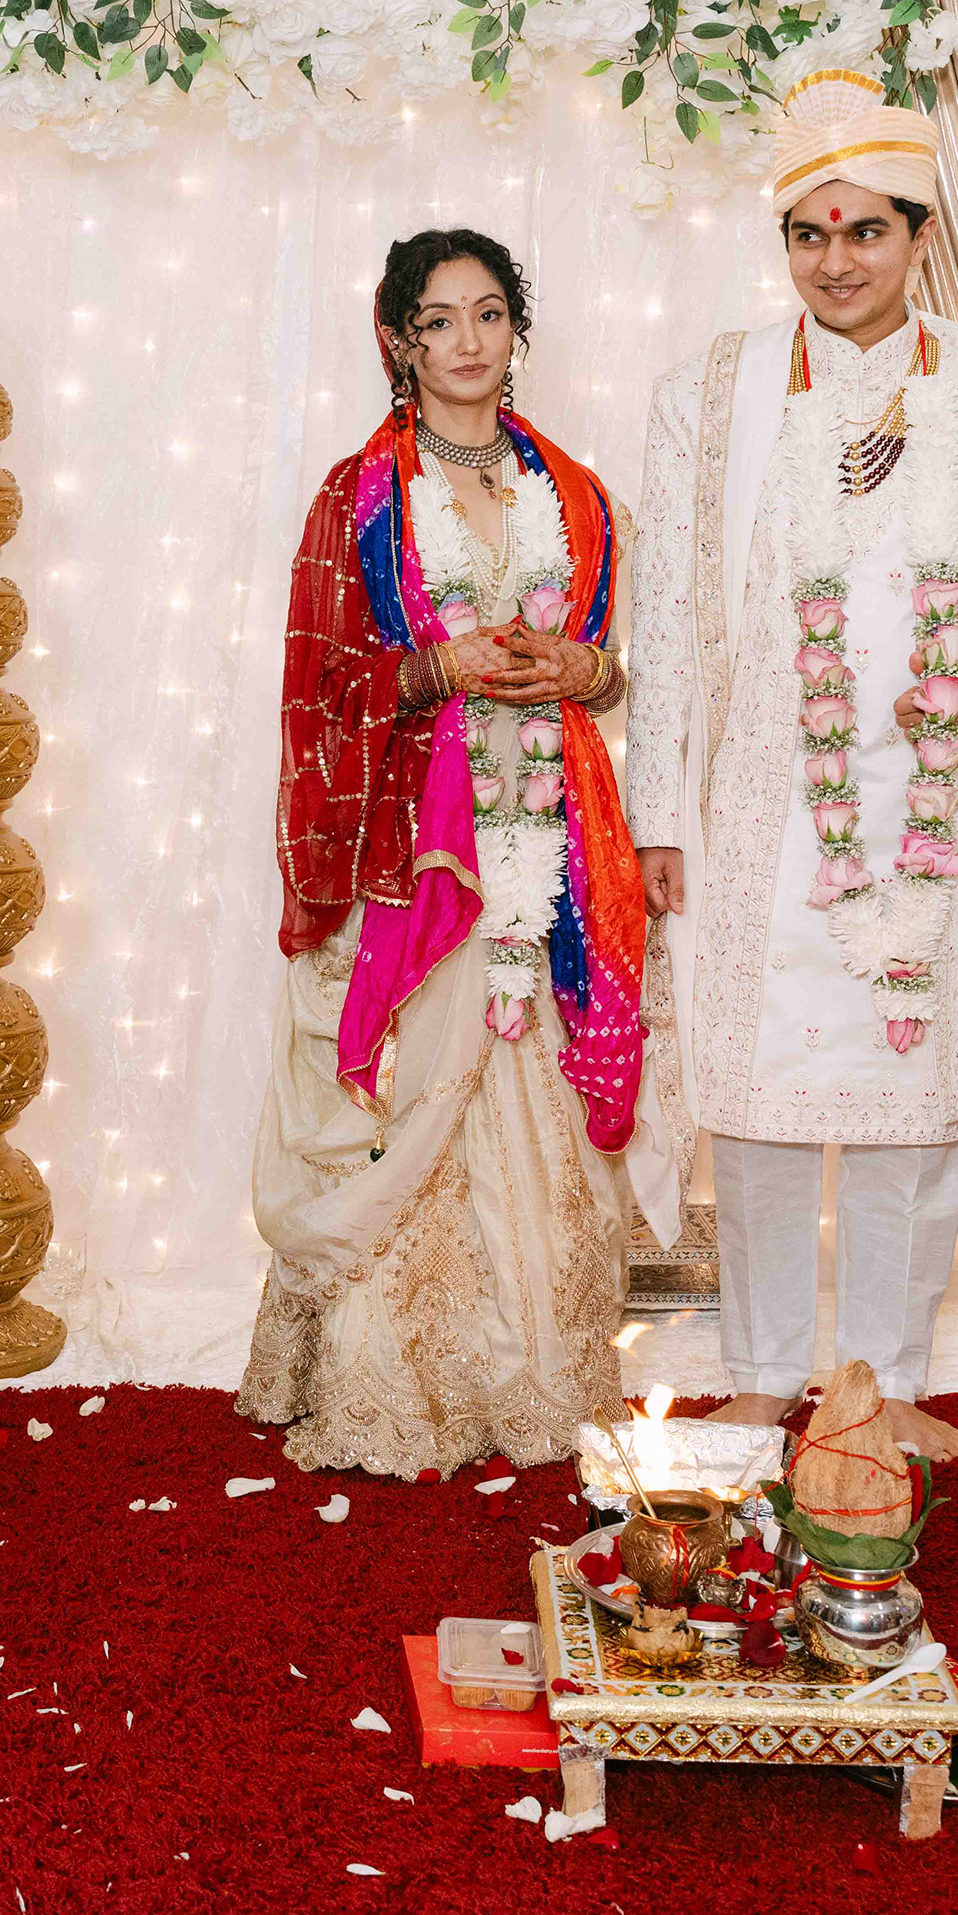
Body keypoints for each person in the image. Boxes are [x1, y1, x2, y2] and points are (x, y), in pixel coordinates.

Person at [623, 67, 958, 1465]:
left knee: (912, 1102)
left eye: (867, 230)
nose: (837, 262)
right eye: (809, 234)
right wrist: (659, 813)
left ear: (921, 235)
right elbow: (667, 614)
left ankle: (884, 1375)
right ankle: (765, 1373)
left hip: (941, 790)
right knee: (758, 1096)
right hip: (763, 794)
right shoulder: (710, 393)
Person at [240, 229, 678, 1477]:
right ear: (400, 340)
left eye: (490, 314)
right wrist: (434, 667)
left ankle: (535, 1376)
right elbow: (319, 686)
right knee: (419, 1094)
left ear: (515, 331)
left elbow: (628, 669)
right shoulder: (358, 498)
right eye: (441, 320)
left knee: (535, 1092)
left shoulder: (576, 494)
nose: (470, 341)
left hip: (553, 839)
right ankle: (392, 1382)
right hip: (420, 854)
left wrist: (585, 669)